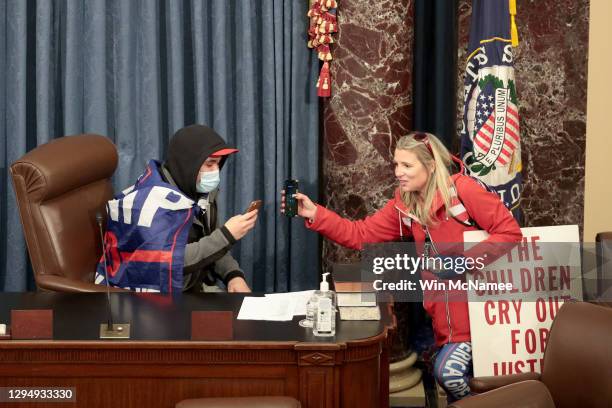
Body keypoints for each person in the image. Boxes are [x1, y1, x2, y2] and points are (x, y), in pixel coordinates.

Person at [281, 132, 522, 401]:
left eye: (407, 165)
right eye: (396, 164)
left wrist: (464, 261)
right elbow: (361, 234)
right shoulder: (406, 205)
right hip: (445, 321)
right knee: (457, 390)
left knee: (449, 373)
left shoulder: (463, 190)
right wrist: (316, 214)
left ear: (431, 165)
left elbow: (510, 233)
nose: (398, 172)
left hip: (481, 314)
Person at [96, 125, 256, 293]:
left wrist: (233, 275)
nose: (215, 171)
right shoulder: (151, 202)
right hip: (151, 297)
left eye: (218, 164)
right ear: (189, 164)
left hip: (190, 287)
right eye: (210, 164)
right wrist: (227, 235)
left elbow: (211, 242)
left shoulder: (200, 191)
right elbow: (169, 261)